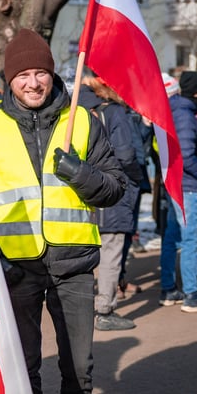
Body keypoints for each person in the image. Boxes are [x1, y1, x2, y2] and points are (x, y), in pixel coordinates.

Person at [0, 28, 125, 394]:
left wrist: (80, 173)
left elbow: (115, 188)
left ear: (52, 75)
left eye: (40, 73)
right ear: (10, 80)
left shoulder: (83, 121)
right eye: (22, 75)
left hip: (75, 268)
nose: (33, 83)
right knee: (23, 370)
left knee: (79, 370)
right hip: (16, 270)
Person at [77, 75, 139, 331]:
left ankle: (78, 310)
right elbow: (125, 153)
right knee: (110, 252)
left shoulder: (70, 110)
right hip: (110, 189)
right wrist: (136, 177)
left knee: (82, 254)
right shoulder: (112, 112)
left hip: (78, 190)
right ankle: (104, 309)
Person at [159, 71, 197, 313]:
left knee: (173, 237)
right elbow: (187, 157)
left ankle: (169, 290)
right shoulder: (184, 115)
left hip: (178, 184)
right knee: (192, 240)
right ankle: (192, 295)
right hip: (190, 187)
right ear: (195, 90)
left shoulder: (177, 111)